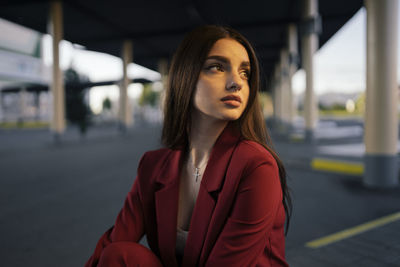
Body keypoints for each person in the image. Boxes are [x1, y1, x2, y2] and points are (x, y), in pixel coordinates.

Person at [85, 25, 291, 267]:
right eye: (217, 67)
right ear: (185, 76)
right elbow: (112, 244)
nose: (237, 82)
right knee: (117, 255)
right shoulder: (153, 166)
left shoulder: (257, 166)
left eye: (245, 72)